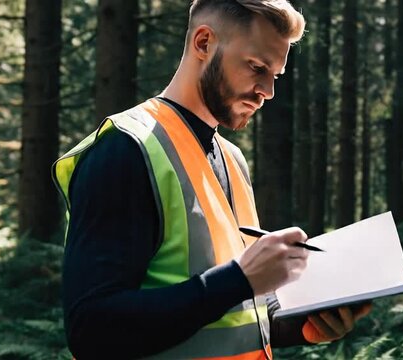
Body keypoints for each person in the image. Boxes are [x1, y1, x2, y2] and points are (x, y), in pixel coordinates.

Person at [52, 1, 371, 359]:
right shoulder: (125, 150)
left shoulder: (232, 160)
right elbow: (92, 331)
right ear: (203, 43)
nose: (268, 91)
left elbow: (232, 316)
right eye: (257, 68)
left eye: (275, 75)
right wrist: (239, 279)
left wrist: (303, 326)